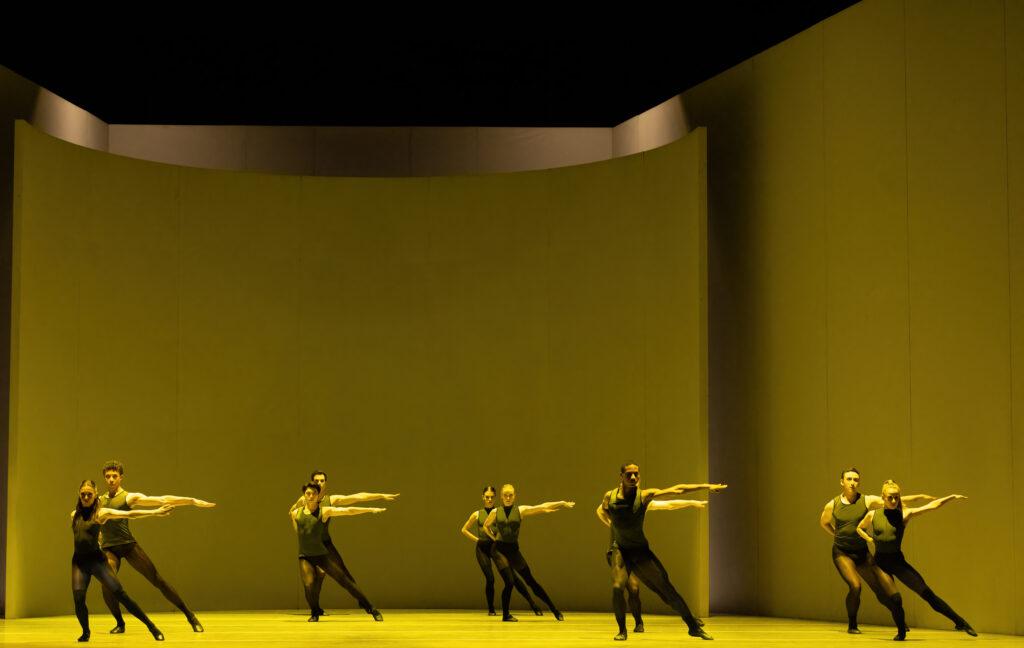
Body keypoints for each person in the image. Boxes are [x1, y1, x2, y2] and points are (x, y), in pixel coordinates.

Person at [597, 463, 724, 641]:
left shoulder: (644, 496)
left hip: (640, 551)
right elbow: (601, 511)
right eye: (629, 475)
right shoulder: (609, 497)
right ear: (621, 476)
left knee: (666, 590)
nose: (634, 478)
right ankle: (621, 630)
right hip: (619, 550)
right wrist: (612, 526)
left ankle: (693, 626)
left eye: (636, 474)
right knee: (618, 587)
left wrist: (706, 486)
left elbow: (677, 490)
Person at [97, 460, 215, 634]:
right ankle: (120, 623)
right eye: (108, 476)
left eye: (115, 476)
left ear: (121, 477)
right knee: (107, 584)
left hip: (127, 545)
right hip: (109, 549)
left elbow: (161, 499)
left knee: (157, 580)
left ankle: (190, 616)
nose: (111, 479)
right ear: (104, 478)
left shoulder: (129, 497)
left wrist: (191, 501)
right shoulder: (99, 500)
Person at [819, 467, 930, 637]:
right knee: (855, 586)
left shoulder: (867, 500)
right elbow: (824, 522)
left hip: (862, 553)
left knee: (880, 589)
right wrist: (837, 535)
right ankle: (852, 624)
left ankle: (899, 620)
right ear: (842, 482)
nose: (852, 483)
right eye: (849, 479)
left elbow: (893, 500)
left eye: (855, 479)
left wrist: (920, 497)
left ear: (859, 482)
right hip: (842, 553)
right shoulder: (832, 504)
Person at [857, 480, 976, 637]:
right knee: (896, 600)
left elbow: (931, 506)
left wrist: (951, 497)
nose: (893, 501)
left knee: (927, 594)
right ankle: (901, 633)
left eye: (896, 498)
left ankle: (960, 622)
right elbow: (859, 527)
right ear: (883, 497)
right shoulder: (873, 515)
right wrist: (869, 539)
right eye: (890, 498)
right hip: (880, 564)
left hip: (898, 563)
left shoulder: (904, 514)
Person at [286, 470, 398, 617]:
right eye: (316, 480)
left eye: (321, 481)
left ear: (325, 484)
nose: (319, 483)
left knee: (343, 575)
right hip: (309, 548)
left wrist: (380, 496)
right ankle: (316, 609)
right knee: (313, 581)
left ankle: (364, 603)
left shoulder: (330, 501)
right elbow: (294, 514)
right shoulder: (304, 499)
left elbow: (356, 498)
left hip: (325, 546)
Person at [71, 479, 171, 642]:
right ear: (79, 495)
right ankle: (86, 632)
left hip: (97, 561)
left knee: (120, 594)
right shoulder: (74, 515)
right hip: (79, 563)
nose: (86, 497)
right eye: (83, 494)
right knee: (78, 599)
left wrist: (154, 512)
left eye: (89, 494)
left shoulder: (101, 513)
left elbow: (129, 514)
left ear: (96, 495)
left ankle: (151, 627)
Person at [482, 484, 574, 622]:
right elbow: (485, 526)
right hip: (499, 550)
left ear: (514, 496)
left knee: (531, 581)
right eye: (505, 495)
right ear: (501, 496)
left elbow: (542, 506)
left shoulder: (521, 510)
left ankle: (554, 609)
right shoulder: (495, 512)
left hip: (513, 550)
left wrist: (561, 503)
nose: (508, 497)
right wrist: (494, 538)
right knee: (510, 582)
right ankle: (506, 615)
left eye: (510, 495)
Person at [460, 486, 542, 616]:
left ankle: (533, 604)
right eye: (487, 497)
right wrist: (478, 540)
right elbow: (463, 529)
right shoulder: (477, 514)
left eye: (492, 497)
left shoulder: (499, 512)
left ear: (496, 498)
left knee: (513, 578)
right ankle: (491, 609)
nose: (489, 499)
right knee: (490, 579)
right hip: (482, 549)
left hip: (496, 548)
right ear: (483, 497)